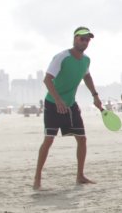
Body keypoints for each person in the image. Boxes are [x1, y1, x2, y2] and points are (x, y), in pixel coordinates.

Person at [33, 27, 104, 190]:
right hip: (53, 103)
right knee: (49, 140)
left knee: (82, 139)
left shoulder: (86, 60)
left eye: (88, 40)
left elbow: (87, 76)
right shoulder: (62, 57)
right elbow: (47, 80)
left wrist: (95, 95)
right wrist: (57, 100)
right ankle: (37, 178)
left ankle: (80, 176)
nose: (85, 42)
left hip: (71, 104)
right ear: (75, 39)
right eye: (82, 39)